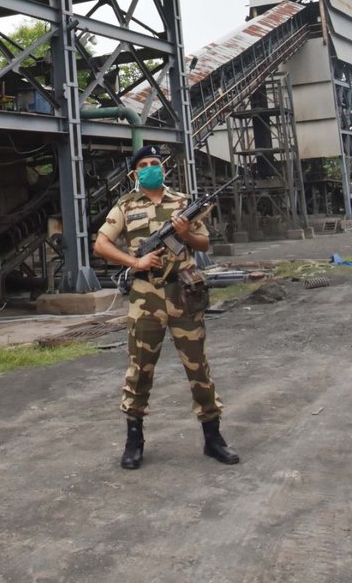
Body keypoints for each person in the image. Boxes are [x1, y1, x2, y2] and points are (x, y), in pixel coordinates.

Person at [94, 144, 239, 470]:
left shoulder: (182, 203)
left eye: (155, 162)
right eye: (144, 164)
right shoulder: (126, 206)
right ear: (135, 174)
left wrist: (186, 234)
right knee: (140, 369)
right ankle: (134, 440)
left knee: (198, 368)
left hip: (183, 294)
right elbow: (101, 244)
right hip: (146, 296)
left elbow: (204, 243)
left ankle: (213, 438)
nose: (150, 167)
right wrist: (135, 260)